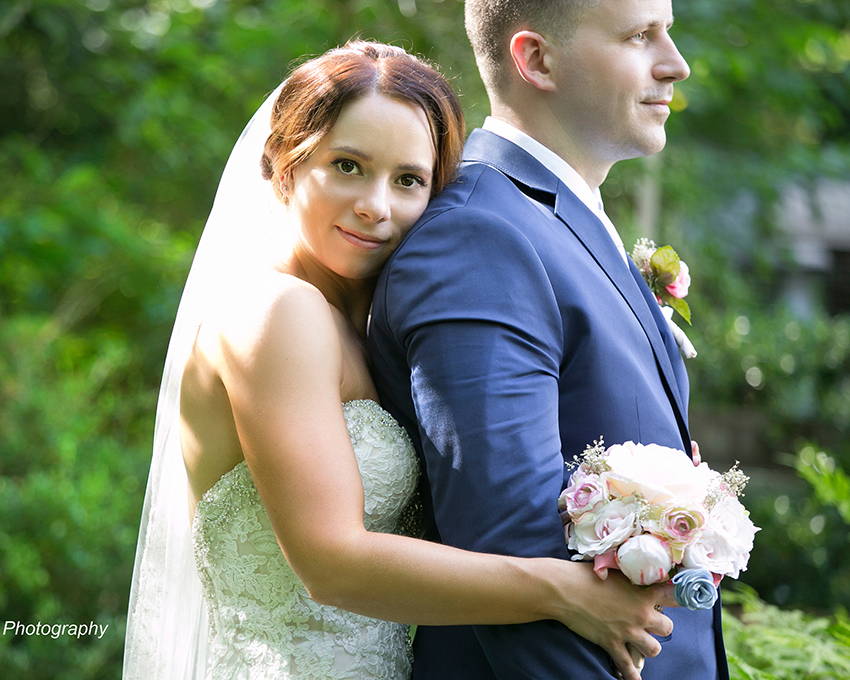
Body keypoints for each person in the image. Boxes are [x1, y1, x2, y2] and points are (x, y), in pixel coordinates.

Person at [123, 40, 674, 680]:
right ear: (283, 166)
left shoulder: (362, 328)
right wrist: (560, 590)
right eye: (348, 165)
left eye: (408, 180)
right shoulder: (276, 313)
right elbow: (332, 562)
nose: (376, 206)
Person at [367, 1, 727, 679]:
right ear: (536, 59)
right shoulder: (480, 239)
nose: (675, 63)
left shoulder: (559, 221)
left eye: (668, 32)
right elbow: (513, 550)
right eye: (640, 36)